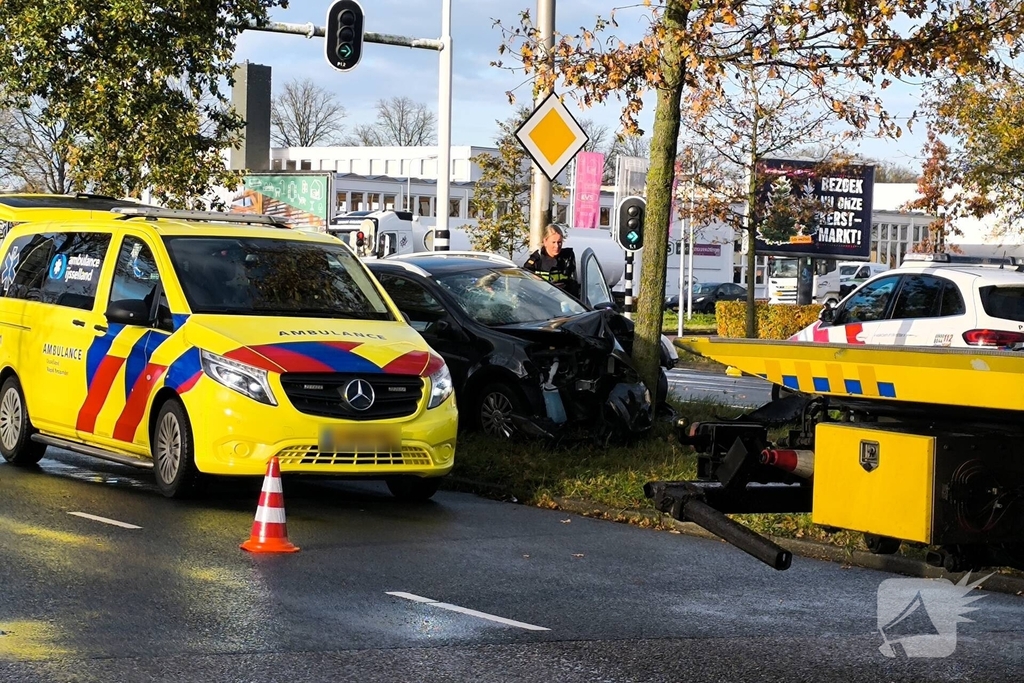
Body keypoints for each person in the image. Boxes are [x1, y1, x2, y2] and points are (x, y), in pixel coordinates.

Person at [523, 224, 580, 298]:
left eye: (559, 242)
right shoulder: (535, 261)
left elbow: (573, 284)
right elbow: (526, 289)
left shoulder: (567, 258)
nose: (557, 246)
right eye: (553, 242)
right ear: (545, 241)